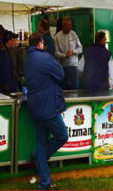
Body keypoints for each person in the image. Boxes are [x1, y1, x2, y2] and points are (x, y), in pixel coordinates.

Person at [24, 32, 68, 190]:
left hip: (35, 106)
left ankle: (44, 184)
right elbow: (61, 74)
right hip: (48, 106)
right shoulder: (45, 57)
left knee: (41, 144)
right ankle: (38, 157)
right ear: (40, 43)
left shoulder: (28, 59)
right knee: (63, 135)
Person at [54, 17, 82, 90]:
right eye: (67, 25)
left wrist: (73, 52)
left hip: (73, 67)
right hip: (62, 68)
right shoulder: (57, 36)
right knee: (64, 91)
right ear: (63, 25)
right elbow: (56, 53)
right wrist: (64, 55)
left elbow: (80, 49)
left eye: (70, 25)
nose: (69, 27)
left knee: (75, 90)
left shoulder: (73, 34)